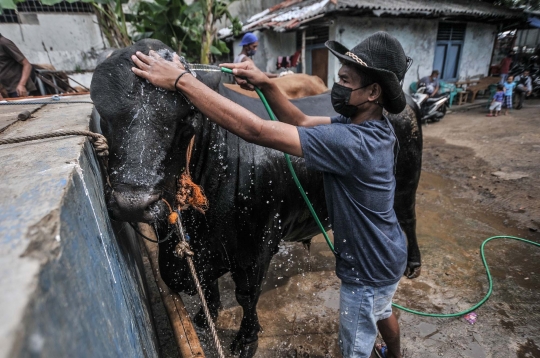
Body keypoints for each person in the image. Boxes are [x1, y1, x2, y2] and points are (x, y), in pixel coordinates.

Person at [132, 31, 408, 358]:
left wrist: (182, 81)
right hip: (389, 253)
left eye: (345, 80)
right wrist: (267, 84)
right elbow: (301, 119)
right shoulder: (365, 124)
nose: (338, 85)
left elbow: (256, 130)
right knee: (382, 310)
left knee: (354, 345)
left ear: (373, 91)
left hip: (365, 269)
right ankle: (394, 353)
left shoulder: (351, 143)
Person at [0, 33, 36, 99]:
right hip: (6, 90)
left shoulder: (4, 43)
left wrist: (22, 85)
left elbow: (27, 64)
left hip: (17, 90)